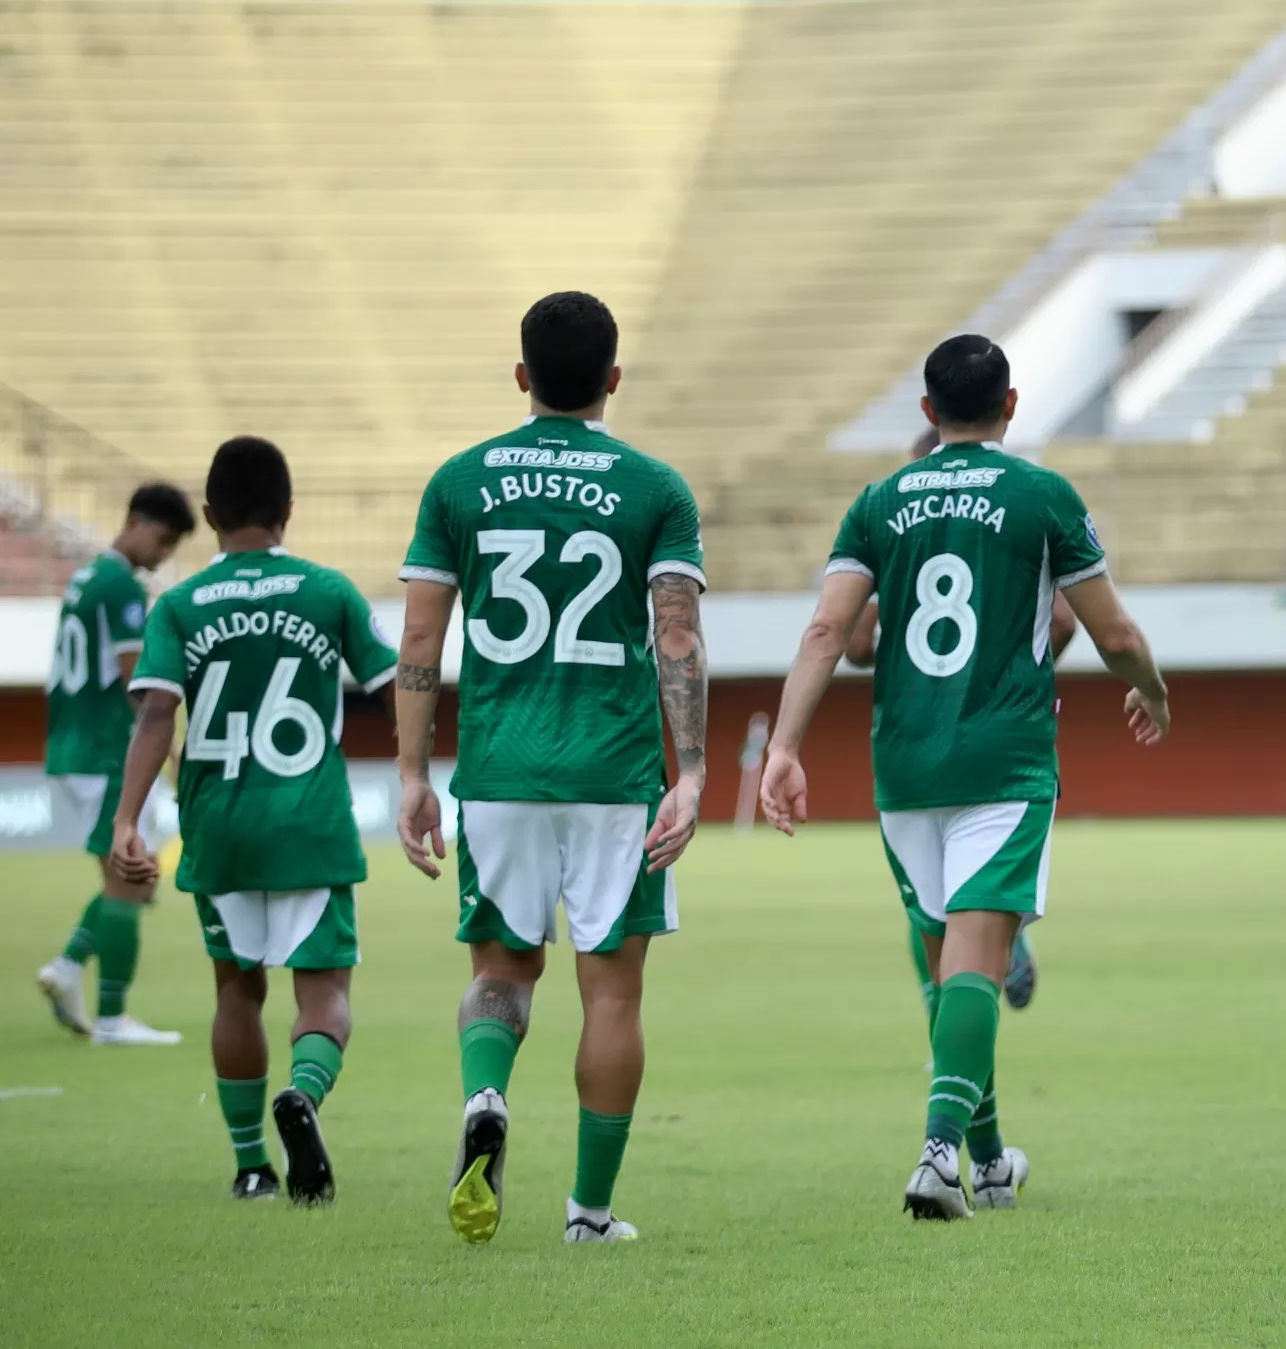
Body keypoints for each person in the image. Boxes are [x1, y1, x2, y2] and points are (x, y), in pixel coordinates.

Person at [759, 334, 1170, 1220]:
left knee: (951, 967)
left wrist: (784, 747)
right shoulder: (1041, 494)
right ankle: (940, 1155)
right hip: (1004, 758)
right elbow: (1114, 634)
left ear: (925, 411)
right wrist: (1153, 692)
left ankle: (984, 1160)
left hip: (903, 767)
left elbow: (831, 634)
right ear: (1011, 405)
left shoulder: (878, 501)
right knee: (977, 960)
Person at [393, 291, 709, 1247]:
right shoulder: (656, 488)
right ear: (612, 379)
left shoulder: (459, 481)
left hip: (499, 768)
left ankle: (486, 1090)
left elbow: (419, 635)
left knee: (500, 970)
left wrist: (411, 773)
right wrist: (688, 770)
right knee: (611, 990)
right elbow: (677, 636)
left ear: (522, 376)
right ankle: (589, 1211)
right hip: (613, 775)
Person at [107, 438, 397, 1204]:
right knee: (323, 994)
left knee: (236, 992)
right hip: (310, 822)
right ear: (288, 510)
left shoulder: (176, 605)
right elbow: (398, 683)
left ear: (207, 517)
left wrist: (126, 821)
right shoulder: (327, 590)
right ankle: (302, 1094)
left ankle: (248, 1166)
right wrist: (415, 778)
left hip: (219, 823)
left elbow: (156, 715)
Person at [847, 425, 1070, 1022]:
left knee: (929, 911)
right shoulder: (1017, 513)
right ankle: (994, 974)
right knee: (977, 903)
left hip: (916, 742)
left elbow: (855, 643)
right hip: (1001, 736)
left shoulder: (896, 523)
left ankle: (946, 1051)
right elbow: (1070, 622)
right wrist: (1011, 670)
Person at [34, 483, 196, 1044]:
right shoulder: (122, 587)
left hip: (70, 744)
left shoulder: (85, 578)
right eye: (163, 540)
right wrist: (171, 750)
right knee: (132, 881)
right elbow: (136, 679)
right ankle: (111, 1018)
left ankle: (68, 968)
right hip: (109, 750)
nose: (162, 554)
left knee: (121, 880)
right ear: (134, 522)